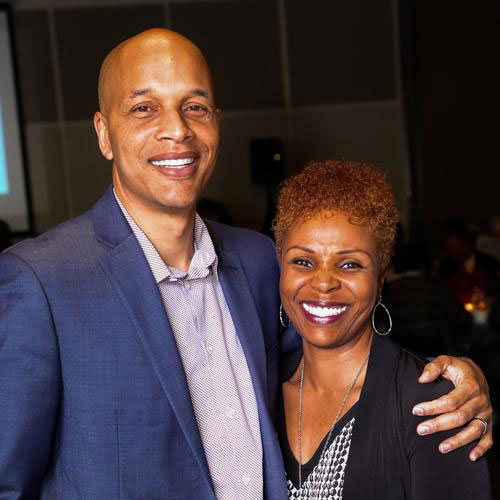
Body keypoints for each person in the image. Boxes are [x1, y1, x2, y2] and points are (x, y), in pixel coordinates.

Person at [0, 29, 492, 499]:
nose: (176, 129)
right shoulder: (42, 281)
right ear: (105, 134)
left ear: (215, 122)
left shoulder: (255, 261)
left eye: (194, 106)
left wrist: (454, 377)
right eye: (144, 108)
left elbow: (335, 359)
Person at [274, 160, 491, 499]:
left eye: (350, 264)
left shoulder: (436, 404)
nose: (324, 283)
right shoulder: (258, 391)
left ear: (381, 276)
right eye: (303, 261)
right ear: (279, 265)